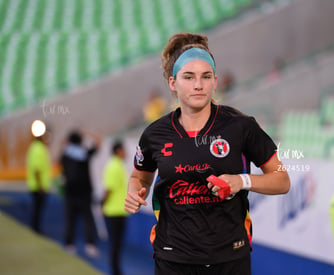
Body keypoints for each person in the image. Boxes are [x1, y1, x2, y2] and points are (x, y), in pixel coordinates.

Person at [124, 32, 290, 275]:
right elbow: (139, 177)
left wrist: (241, 181)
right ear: (173, 83)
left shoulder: (241, 126)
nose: (198, 85)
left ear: (215, 81)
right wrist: (134, 191)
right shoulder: (154, 134)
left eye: (206, 77)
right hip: (173, 259)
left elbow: (281, 180)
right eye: (189, 77)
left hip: (230, 258)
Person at [60, 129, 101, 257]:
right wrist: (87, 134)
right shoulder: (84, 153)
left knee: (70, 220)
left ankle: (69, 245)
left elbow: (62, 148)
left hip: (70, 192)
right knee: (88, 220)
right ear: (80, 140)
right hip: (85, 193)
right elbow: (99, 142)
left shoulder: (65, 154)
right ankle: (90, 245)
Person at [102, 140, 129, 275]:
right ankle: (115, 270)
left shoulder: (116, 164)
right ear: (118, 151)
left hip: (116, 211)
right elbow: (109, 189)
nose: (126, 153)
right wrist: (102, 203)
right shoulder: (114, 166)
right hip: (115, 212)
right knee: (115, 244)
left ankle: (115, 269)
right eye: (124, 150)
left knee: (116, 244)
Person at [26, 122, 51, 233]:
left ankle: (36, 228)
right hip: (38, 186)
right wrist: (40, 186)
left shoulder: (36, 147)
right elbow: (37, 170)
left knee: (37, 210)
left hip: (37, 185)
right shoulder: (38, 149)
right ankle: (36, 230)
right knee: (37, 210)